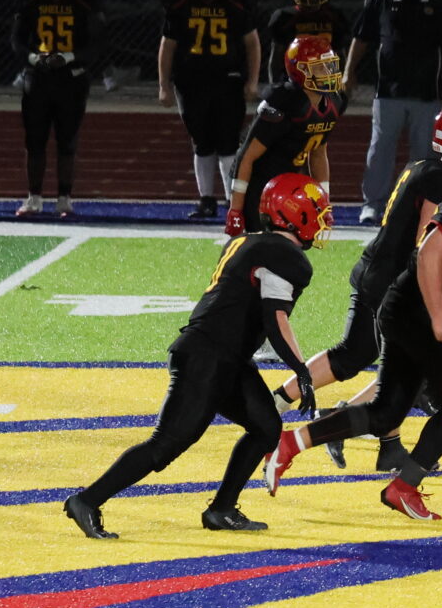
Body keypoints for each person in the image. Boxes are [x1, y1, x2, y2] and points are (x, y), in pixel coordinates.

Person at [270, 132, 442, 520]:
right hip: (418, 314)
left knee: (386, 413)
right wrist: (438, 315)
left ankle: (291, 443)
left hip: (408, 311)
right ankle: (404, 487)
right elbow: (428, 253)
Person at [63, 174, 331, 540]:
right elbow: (275, 318)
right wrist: (301, 370)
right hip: (208, 356)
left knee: (266, 426)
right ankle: (87, 500)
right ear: (296, 214)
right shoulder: (286, 256)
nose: (322, 222)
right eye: (317, 213)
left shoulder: (247, 241)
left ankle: (222, 509)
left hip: (226, 357)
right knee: (166, 444)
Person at [305, 103, 442, 474]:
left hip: (382, 269)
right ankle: (343, 422)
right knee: (409, 368)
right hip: (399, 281)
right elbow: (428, 240)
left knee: (384, 364)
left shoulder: (424, 166)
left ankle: (378, 440)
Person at [350, 0, 442, 225]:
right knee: (380, 150)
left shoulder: (440, 2)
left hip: (427, 93)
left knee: (424, 155)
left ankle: (415, 205)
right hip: (388, 91)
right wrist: (348, 72)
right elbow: (361, 38)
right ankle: (373, 204)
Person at [159, 0, 260, 221]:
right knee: (202, 142)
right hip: (191, 81)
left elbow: (252, 43)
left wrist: (253, 80)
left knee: (228, 141)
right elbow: (167, 46)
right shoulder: (181, 1)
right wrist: (163, 85)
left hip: (228, 79)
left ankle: (231, 201)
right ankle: (206, 199)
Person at [11, 0, 101, 218]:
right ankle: (34, 197)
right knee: (34, 140)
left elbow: (96, 44)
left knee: (67, 140)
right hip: (38, 77)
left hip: (71, 79)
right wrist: (34, 58)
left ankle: (64, 198)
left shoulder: (87, 1)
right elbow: (16, 40)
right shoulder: (31, 0)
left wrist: (70, 57)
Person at [226, 34, 345, 237]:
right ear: (300, 71)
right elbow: (246, 156)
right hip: (260, 184)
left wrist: (324, 202)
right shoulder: (283, 102)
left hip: (290, 184)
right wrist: (235, 209)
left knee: (294, 242)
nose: (327, 73)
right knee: (263, 244)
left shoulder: (334, 102)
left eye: (329, 66)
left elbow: (318, 154)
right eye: (319, 68)